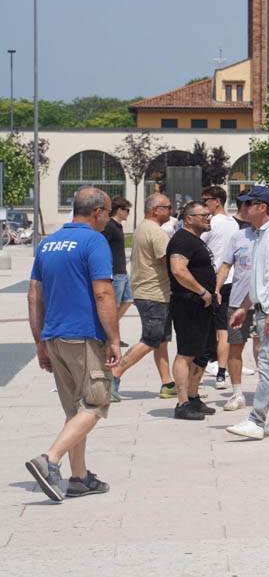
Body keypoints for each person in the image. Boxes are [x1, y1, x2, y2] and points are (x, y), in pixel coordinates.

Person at [24, 187, 119, 502]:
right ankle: (50, 459)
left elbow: (34, 295)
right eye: (106, 212)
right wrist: (115, 339)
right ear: (96, 212)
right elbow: (104, 292)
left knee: (75, 409)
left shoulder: (48, 243)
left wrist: (39, 342)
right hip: (84, 336)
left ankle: (79, 478)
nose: (107, 218)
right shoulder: (94, 241)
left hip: (54, 337)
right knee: (95, 404)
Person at [226, 186, 269, 439]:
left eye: (248, 203)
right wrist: (244, 307)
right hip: (262, 308)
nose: (243, 208)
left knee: (267, 365)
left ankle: (256, 420)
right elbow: (258, 279)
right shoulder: (258, 235)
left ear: (262, 207)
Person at [110, 193, 176, 401]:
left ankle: (167, 383)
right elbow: (170, 263)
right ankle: (114, 374)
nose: (171, 210)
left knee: (162, 340)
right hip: (153, 293)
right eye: (167, 207)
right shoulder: (156, 232)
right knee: (151, 339)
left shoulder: (142, 227)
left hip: (152, 292)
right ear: (156, 210)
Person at [167, 201, 218, 420]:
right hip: (188, 304)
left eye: (209, 214)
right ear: (188, 218)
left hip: (203, 305)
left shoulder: (195, 240)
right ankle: (182, 402)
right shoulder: (182, 240)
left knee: (203, 351)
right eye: (203, 215)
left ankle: (193, 396)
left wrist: (212, 292)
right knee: (186, 352)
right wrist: (201, 292)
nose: (209, 218)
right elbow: (178, 270)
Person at [215, 198, 258, 411]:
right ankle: (237, 393)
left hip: (263, 304)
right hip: (237, 301)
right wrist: (216, 288)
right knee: (235, 348)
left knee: (264, 349)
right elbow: (225, 265)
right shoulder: (237, 237)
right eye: (246, 207)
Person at [201, 186, 240, 390]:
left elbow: (198, 245)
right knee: (224, 329)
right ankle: (221, 373)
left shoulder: (210, 223)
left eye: (206, 200)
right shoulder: (233, 223)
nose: (203, 204)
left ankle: (205, 369)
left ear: (217, 201)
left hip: (213, 281)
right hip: (232, 280)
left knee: (211, 329)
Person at [101, 196, 133, 330]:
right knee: (113, 306)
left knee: (128, 300)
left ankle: (111, 328)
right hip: (114, 272)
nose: (128, 213)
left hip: (122, 271)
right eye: (127, 210)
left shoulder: (118, 226)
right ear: (119, 210)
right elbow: (102, 246)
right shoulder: (109, 226)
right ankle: (108, 334)